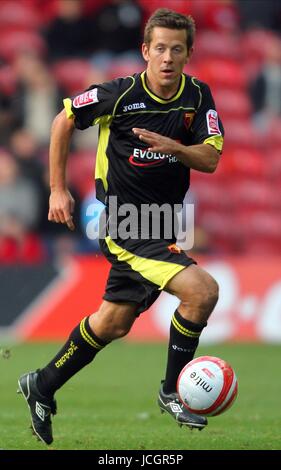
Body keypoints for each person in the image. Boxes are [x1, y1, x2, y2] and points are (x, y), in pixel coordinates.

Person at [17, 8, 224, 445]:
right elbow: (64, 118)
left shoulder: (198, 97)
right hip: (124, 224)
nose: (168, 57)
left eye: (177, 49)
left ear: (188, 55)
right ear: (145, 50)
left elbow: (210, 157)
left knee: (113, 323)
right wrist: (58, 189)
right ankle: (171, 390)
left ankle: (44, 384)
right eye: (160, 48)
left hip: (164, 225)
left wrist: (174, 147)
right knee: (202, 291)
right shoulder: (121, 94)